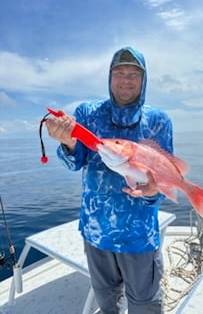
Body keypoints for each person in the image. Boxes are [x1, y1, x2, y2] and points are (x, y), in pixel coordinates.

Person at [45, 46, 173, 314]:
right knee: (106, 300)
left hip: (138, 235)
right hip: (95, 231)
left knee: (145, 304)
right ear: (109, 77)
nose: (126, 79)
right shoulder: (88, 113)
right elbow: (75, 162)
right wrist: (67, 143)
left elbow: (163, 177)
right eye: (119, 72)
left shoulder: (159, 120)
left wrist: (152, 193)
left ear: (144, 79)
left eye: (133, 74)